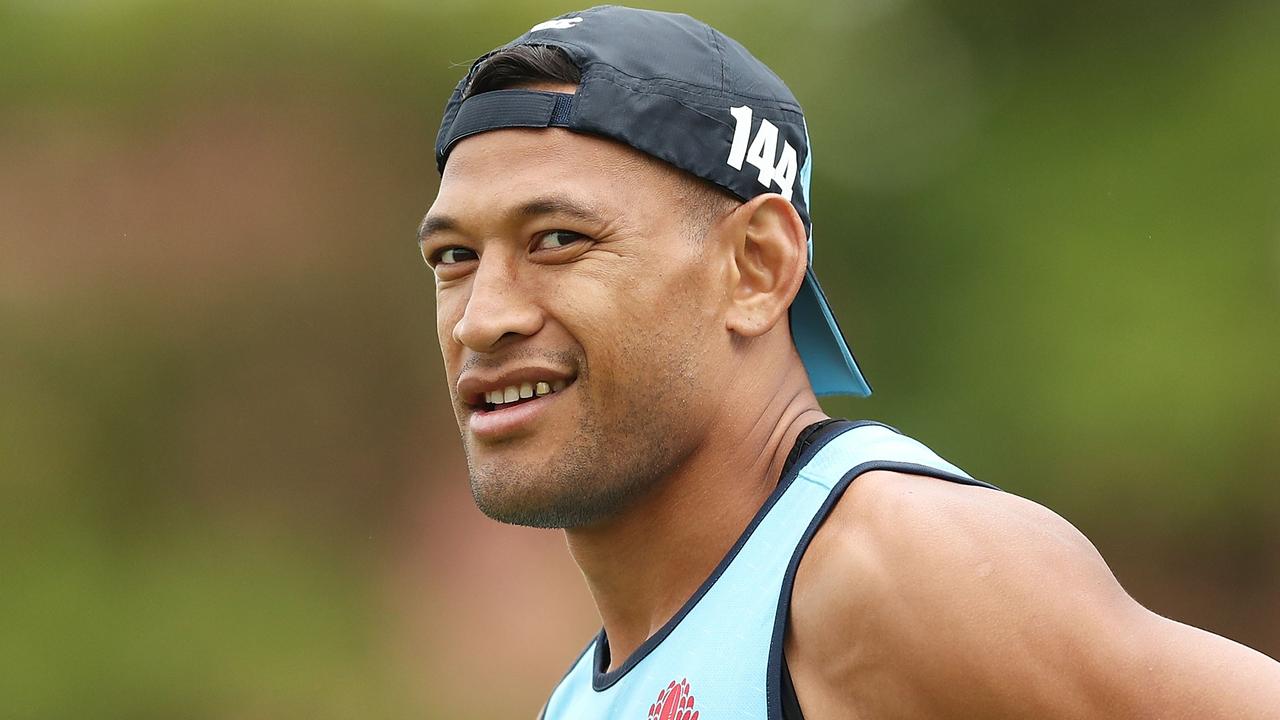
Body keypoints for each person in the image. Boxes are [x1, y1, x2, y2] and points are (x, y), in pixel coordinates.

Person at [418, 6, 1280, 718]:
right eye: (454, 258)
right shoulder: (580, 700)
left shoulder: (893, 567)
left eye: (560, 240)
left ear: (755, 268)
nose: (483, 318)